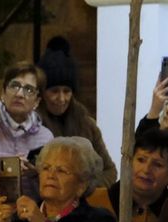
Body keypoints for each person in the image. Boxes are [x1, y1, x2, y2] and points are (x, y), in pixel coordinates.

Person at [36, 37, 118, 188]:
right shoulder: (33, 128)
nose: (61, 98)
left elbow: (110, 171)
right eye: (54, 91)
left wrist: (81, 187)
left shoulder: (87, 124)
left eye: (67, 91)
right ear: (41, 93)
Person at [0, 62, 54, 175]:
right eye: (14, 86)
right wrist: (8, 168)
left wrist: (37, 173)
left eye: (29, 90)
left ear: (37, 101)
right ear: (3, 93)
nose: (19, 94)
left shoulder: (45, 137)